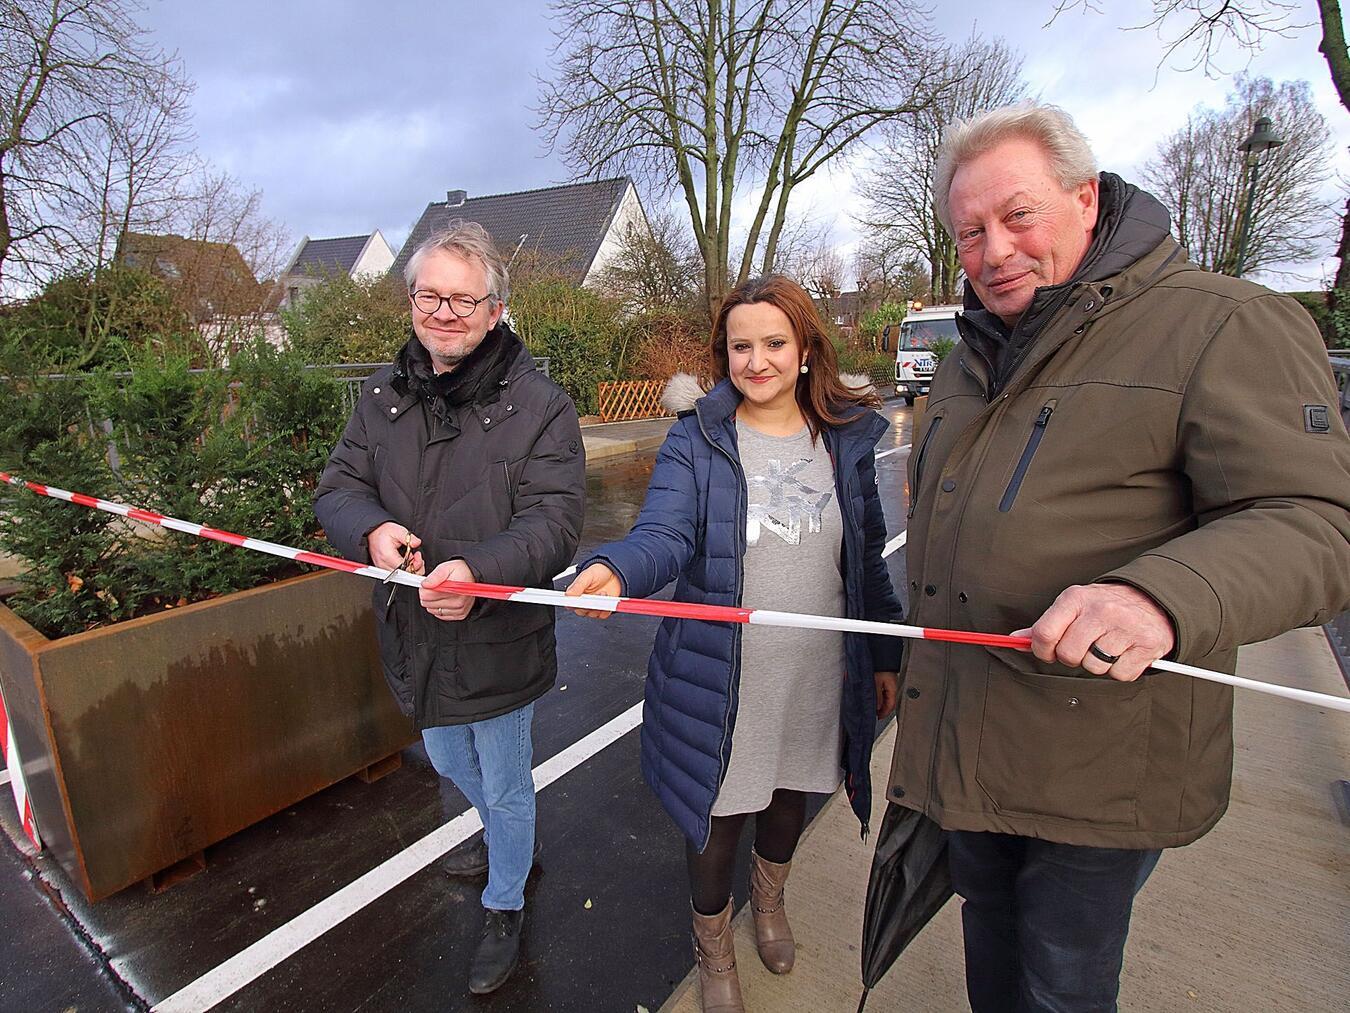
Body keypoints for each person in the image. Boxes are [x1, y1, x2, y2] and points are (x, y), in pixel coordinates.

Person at [887, 102, 1350, 1012]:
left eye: (1018, 216)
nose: (994, 252)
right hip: (965, 740)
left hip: (1096, 759)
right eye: (969, 232)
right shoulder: (964, 355)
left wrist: (1157, 598)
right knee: (990, 944)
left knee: (1062, 979)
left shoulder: (1222, 324)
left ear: (1086, 198)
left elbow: (1316, 521)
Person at [566, 275, 905, 1013]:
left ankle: (771, 901)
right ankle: (713, 948)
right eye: (740, 345)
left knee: (789, 797)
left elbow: (867, 558)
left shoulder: (845, 439)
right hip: (725, 677)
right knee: (716, 818)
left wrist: (885, 654)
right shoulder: (699, 439)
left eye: (774, 343)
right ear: (723, 353)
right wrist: (616, 566)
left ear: (807, 348)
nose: (757, 360)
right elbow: (665, 532)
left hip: (816, 669)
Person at [314, 221, 585, 995]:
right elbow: (338, 488)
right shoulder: (380, 395)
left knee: (503, 783)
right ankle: (510, 839)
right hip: (413, 629)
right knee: (445, 756)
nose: (445, 311)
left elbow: (555, 522)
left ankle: (506, 896)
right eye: (430, 294)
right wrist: (368, 529)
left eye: (464, 299)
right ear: (410, 301)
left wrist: (478, 571)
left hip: (497, 634)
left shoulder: (541, 406)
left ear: (495, 309)